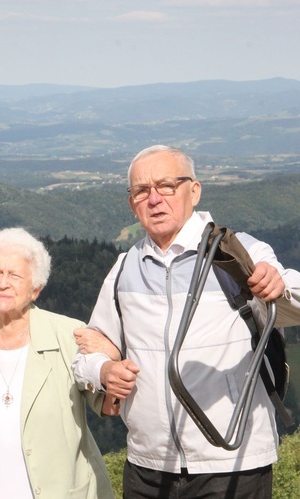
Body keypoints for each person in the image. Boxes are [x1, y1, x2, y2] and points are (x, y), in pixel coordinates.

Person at [73, 145, 300, 498]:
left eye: (166, 185)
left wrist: (279, 284)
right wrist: (102, 371)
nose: (154, 199)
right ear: (132, 203)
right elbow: (88, 352)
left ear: (193, 191)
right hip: (148, 466)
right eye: (141, 191)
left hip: (233, 462)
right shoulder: (123, 270)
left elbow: (292, 304)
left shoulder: (237, 252)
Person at [0, 228, 115, 499]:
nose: (3, 283)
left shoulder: (69, 335)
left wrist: (114, 364)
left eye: (15, 275)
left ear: (36, 290)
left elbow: (106, 400)